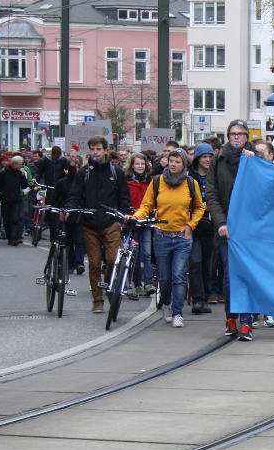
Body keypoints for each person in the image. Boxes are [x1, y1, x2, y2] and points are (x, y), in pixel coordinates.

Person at [131, 148, 203, 328]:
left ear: (184, 164)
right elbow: (146, 205)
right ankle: (167, 304)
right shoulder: (157, 181)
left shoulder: (191, 183)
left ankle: (178, 313)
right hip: (161, 236)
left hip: (182, 237)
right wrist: (136, 217)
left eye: (177, 162)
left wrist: (191, 225)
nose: (173, 164)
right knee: (164, 278)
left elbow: (199, 207)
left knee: (179, 276)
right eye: (171, 161)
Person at [206, 119, 264, 340]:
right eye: (233, 134)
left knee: (246, 274)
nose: (237, 137)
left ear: (247, 136)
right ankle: (231, 317)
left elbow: (266, 187)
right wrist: (220, 222)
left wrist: (254, 162)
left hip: (249, 228)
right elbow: (212, 194)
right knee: (230, 277)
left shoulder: (255, 158)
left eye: (241, 133)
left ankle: (247, 322)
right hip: (227, 228)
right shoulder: (218, 160)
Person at [65, 135, 131, 313]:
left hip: (111, 223)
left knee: (112, 260)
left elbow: (124, 197)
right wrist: (69, 209)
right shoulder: (84, 173)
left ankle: (109, 287)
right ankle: (97, 300)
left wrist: (120, 219)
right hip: (90, 224)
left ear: (106, 150)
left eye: (98, 149)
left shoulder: (116, 172)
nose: (95, 152)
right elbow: (74, 195)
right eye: (92, 149)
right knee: (94, 263)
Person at [188, 142, 216, 315]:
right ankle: (197, 299)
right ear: (198, 158)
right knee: (195, 262)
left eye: (210, 157)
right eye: (204, 156)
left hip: (210, 226)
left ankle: (205, 298)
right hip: (193, 225)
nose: (207, 160)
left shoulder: (215, 176)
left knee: (208, 265)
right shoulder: (189, 176)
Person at [124, 153, 155, 296]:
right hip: (132, 221)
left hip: (146, 220)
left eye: (142, 164)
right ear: (132, 165)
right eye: (137, 164)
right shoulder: (127, 181)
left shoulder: (151, 181)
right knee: (134, 254)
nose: (140, 166)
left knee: (147, 253)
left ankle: (148, 283)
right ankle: (137, 283)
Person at [0, 155, 30, 246]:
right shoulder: (4, 172)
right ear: (14, 164)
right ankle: (10, 237)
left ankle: (14, 238)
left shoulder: (19, 173)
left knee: (15, 219)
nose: (21, 166)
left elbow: (24, 186)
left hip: (16, 199)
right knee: (6, 220)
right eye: (20, 164)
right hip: (5, 199)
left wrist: (23, 175)